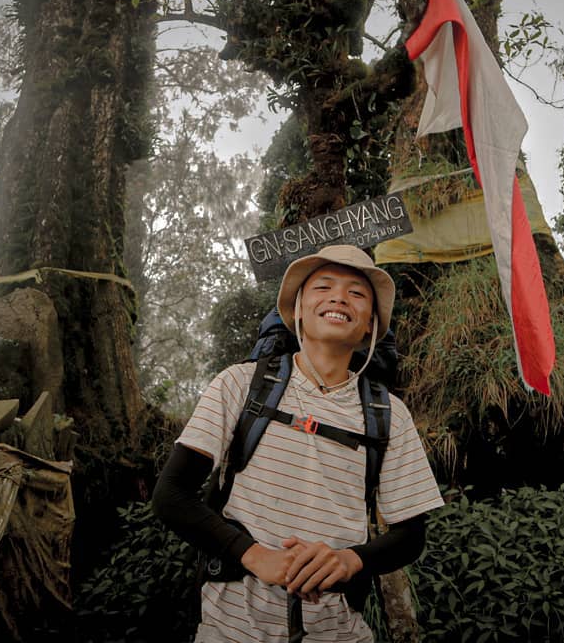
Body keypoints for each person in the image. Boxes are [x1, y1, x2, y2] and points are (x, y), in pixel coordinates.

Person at [152, 244, 444, 642]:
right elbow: (171, 494)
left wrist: (349, 560)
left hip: (339, 633)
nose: (339, 297)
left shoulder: (389, 413)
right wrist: (256, 556)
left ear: (370, 326)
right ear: (298, 311)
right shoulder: (239, 385)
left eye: (357, 293)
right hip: (230, 631)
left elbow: (411, 535)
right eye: (323, 287)